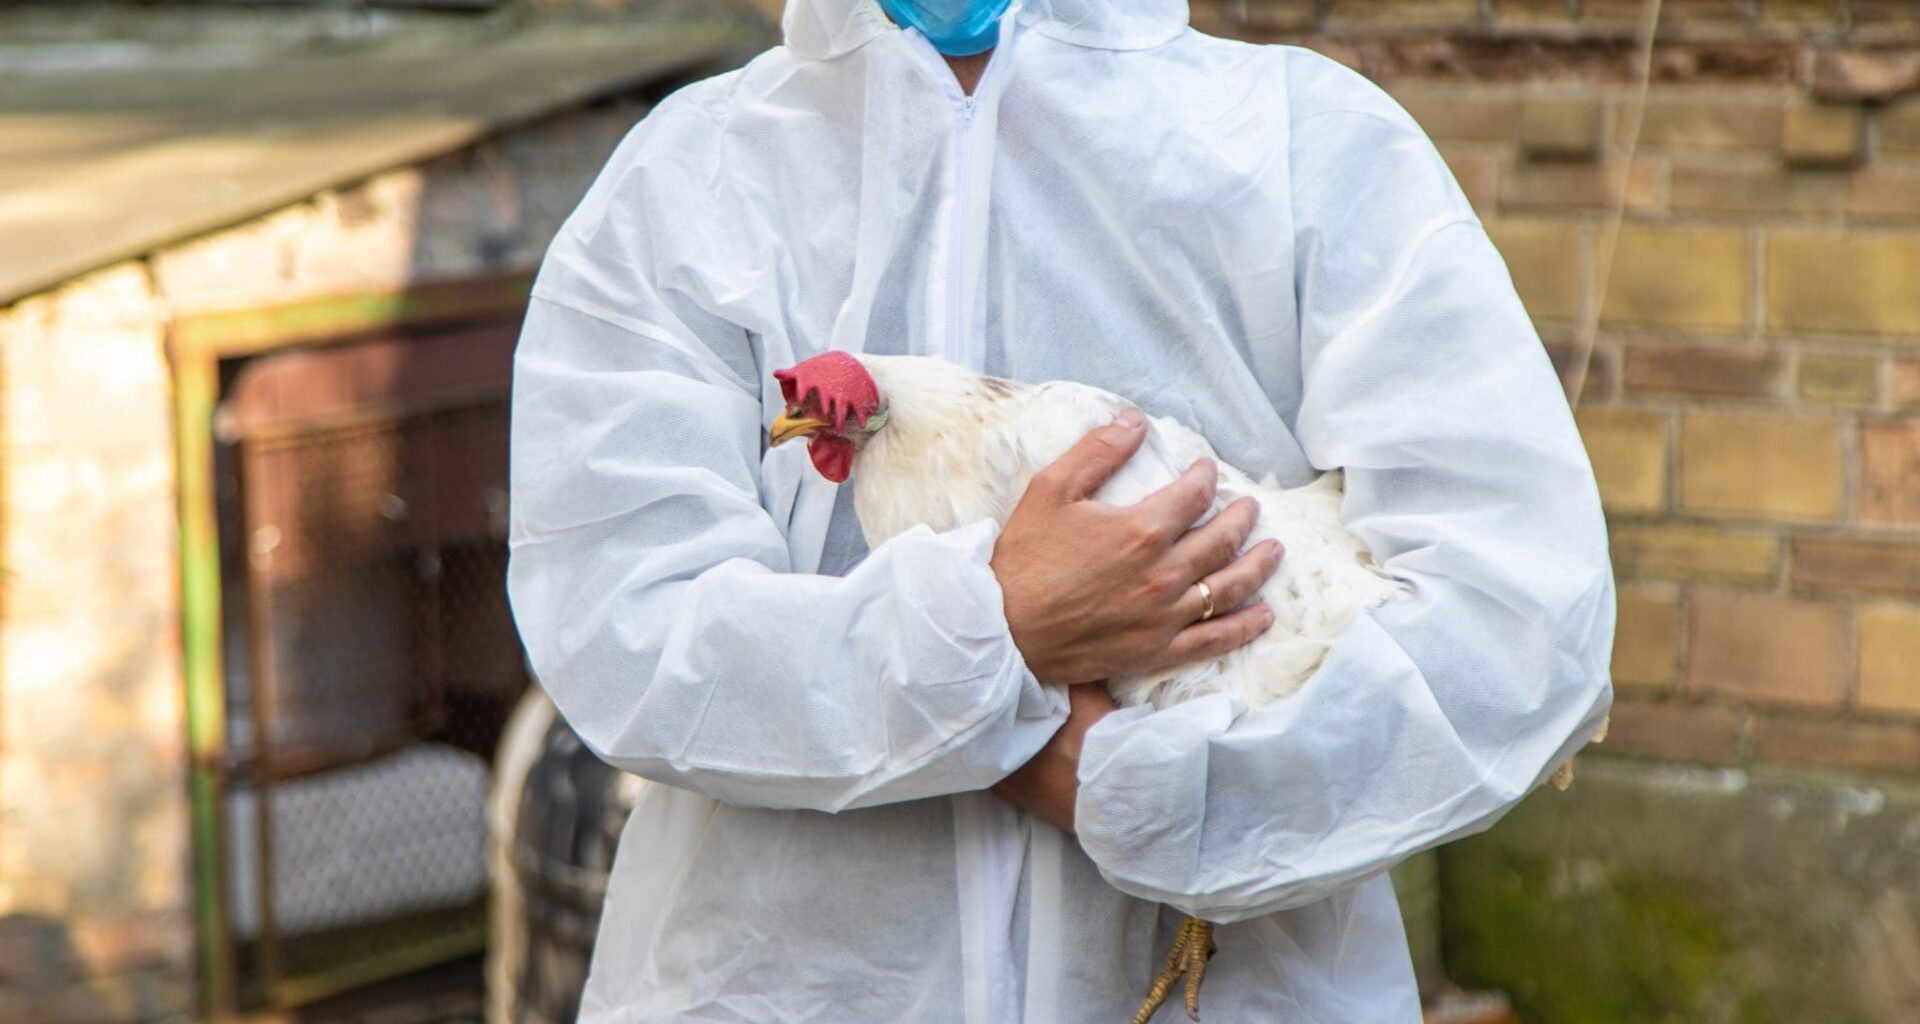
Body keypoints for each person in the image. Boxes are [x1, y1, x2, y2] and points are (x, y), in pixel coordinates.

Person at [505, 0, 1616, 1020]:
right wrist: (994, 629)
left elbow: (1519, 618)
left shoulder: (1309, 147)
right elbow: (625, 622)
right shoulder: (684, 187)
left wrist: (1141, 792)